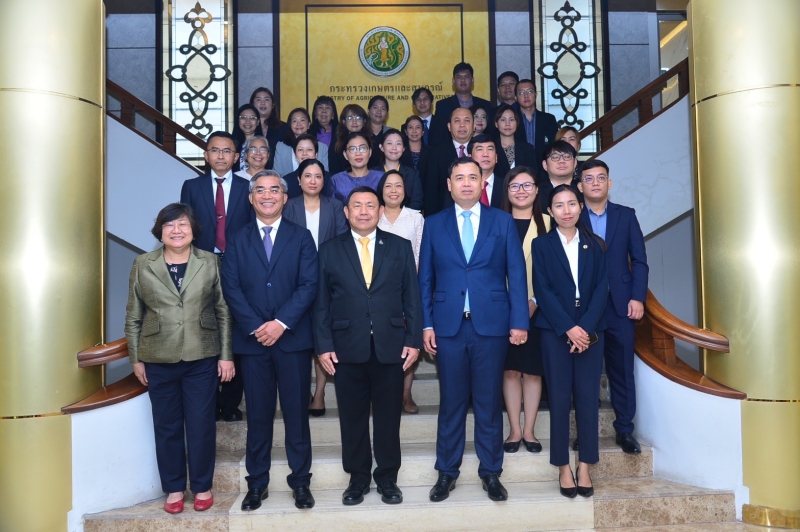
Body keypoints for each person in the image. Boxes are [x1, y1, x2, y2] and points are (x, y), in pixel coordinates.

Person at [419, 157, 528, 503]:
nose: (466, 183)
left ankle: (491, 472)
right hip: (447, 326)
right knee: (451, 402)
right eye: (459, 178)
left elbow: (517, 274)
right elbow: (425, 279)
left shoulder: (502, 221)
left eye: (472, 177)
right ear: (449, 184)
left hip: (491, 326)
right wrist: (426, 323)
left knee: (488, 401)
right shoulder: (433, 224)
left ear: (483, 183)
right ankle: (446, 472)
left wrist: (519, 321)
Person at [313, 186, 423, 506]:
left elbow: (412, 298)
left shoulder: (400, 247)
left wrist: (413, 341)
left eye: (370, 206)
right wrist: (323, 345)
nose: (364, 211)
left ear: (379, 211)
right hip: (346, 347)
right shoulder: (329, 250)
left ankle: (387, 478)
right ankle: (358, 478)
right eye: (357, 206)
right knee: (352, 417)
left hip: (391, 346)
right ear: (346, 212)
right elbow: (321, 304)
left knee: (389, 417)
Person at [125, 203, 234, 514]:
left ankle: (202, 486)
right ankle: (173, 488)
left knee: (201, 425)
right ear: (160, 231)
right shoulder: (143, 264)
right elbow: (134, 315)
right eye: (169, 225)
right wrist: (136, 358)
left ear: (193, 231)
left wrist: (226, 356)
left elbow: (223, 311)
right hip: (158, 357)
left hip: (202, 357)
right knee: (167, 426)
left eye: (183, 224)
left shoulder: (210, 262)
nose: (176, 230)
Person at [221, 170, 319, 511]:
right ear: (251, 198)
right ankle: (257, 484)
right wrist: (256, 326)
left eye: (274, 190)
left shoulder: (301, 237)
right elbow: (231, 288)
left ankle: (301, 482)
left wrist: (279, 323)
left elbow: (309, 285)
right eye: (260, 190)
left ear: (284, 197)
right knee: (258, 416)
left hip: (292, 340)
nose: (267, 195)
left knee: (297, 416)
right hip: (253, 344)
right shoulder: (237, 238)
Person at [532, 184, 608, 499]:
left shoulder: (596, 244)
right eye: (559, 205)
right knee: (560, 399)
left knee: (588, 399)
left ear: (580, 207)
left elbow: (602, 289)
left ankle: (585, 466)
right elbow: (542, 290)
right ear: (550, 211)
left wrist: (584, 329)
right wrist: (568, 328)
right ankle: (563, 466)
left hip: (590, 330)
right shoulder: (541, 245)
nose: (567, 210)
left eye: (572, 204)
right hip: (555, 330)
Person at [180, 131, 254, 422]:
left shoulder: (248, 187)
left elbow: (252, 231)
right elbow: (185, 228)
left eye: (227, 151)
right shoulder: (191, 186)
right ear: (206, 155)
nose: (221, 155)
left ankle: (231, 402)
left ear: (236, 157)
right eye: (215, 150)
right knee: (206, 330)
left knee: (236, 332)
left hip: (239, 267)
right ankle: (208, 401)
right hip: (202, 266)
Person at [577, 160, 648, 454]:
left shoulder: (626, 215)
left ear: (609, 183)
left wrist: (638, 297)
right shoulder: (572, 214)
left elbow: (639, 259)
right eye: (589, 178)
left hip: (621, 306)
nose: (595, 183)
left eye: (601, 178)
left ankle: (625, 429)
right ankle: (585, 433)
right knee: (586, 374)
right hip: (584, 308)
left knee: (622, 370)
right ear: (580, 185)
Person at [283, 158, 349, 417]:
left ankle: (319, 393)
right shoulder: (288, 206)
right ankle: (302, 391)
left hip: (328, 279)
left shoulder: (335, 206)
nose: (313, 181)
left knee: (324, 336)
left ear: (324, 181)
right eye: (308, 176)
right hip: (294, 281)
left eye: (318, 176)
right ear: (298, 180)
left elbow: (342, 241)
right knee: (300, 337)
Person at [499, 167, 550, 455]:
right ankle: (514, 430)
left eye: (527, 185)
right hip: (501, 310)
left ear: (537, 189)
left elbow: (557, 271)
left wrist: (534, 301)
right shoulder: (495, 221)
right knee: (509, 371)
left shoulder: (550, 222)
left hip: (540, 310)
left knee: (532, 372)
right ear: (506, 191)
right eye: (514, 185)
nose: (521, 191)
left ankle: (529, 430)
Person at [376, 169, 425, 414]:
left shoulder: (415, 218)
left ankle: (406, 394)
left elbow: (420, 254)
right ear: (381, 191)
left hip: (407, 290)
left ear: (405, 191)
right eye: (388, 186)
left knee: (408, 341)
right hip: (375, 291)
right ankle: (379, 396)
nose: (393, 190)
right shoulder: (373, 214)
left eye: (398, 186)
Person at [425, 107, 474, 215]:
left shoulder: (482, 151)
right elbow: (431, 193)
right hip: (446, 215)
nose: (462, 125)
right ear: (449, 126)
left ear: (474, 125)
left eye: (467, 120)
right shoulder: (436, 154)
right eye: (457, 121)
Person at [431, 63, 493, 145]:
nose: (463, 80)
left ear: (472, 80)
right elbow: (439, 134)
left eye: (466, 77)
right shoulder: (442, 105)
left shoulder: (485, 105)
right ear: (453, 81)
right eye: (459, 77)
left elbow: (490, 132)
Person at [375, 128, 424, 210]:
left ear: (403, 148)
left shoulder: (413, 174)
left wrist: (398, 214)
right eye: (389, 143)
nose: (394, 148)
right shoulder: (372, 173)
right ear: (381, 147)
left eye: (398, 144)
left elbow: (417, 202)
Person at [514, 79, 558, 168]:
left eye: (530, 92)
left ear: (536, 95)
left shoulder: (549, 119)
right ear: (515, 97)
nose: (526, 96)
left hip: (544, 168)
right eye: (521, 93)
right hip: (518, 168)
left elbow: (553, 146)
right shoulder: (512, 120)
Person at [329, 132, 384, 204]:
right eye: (353, 149)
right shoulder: (336, 181)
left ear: (370, 152)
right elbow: (331, 208)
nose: (358, 153)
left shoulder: (382, 178)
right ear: (345, 155)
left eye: (362, 148)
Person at [273, 108, 329, 176]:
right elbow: (277, 174)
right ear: (290, 125)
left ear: (309, 124)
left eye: (302, 120)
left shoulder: (322, 147)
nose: (298, 124)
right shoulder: (281, 147)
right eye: (294, 121)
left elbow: (324, 174)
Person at [281, 134, 333, 199]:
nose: (304, 153)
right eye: (300, 150)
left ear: (316, 154)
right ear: (295, 155)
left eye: (309, 149)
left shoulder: (330, 179)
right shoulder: (286, 181)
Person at [538, 140, 582, 213]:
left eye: (567, 157)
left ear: (575, 163)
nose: (561, 161)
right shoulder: (536, 192)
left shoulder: (584, 189)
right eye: (555, 157)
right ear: (545, 165)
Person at [330, 104, 372, 174]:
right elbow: (333, 166)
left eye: (358, 117)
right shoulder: (336, 141)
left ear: (364, 121)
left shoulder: (371, 141)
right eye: (350, 118)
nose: (354, 121)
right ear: (344, 122)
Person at [494, 104, 538, 170]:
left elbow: (533, 173)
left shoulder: (528, 149)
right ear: (496, 124)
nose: (507, 124)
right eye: (503, 120)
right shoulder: (491, 148)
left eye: (511, 120)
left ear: (517, 123)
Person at [249, 87, 284, 169]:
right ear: (252, 104)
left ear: (273, 105)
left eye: (267, 99)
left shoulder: (284, 128)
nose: (263, 103)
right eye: (258, 99)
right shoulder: (246, 127)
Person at [468, 134, 505, 209]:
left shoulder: (506, 186)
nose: (485, 154)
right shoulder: (461, 186)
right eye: (480, 149)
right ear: (470, 158)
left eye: (490, 149)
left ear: (496, 158)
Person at [231, 104, 261, 171]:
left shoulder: (265, 144)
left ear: (258, 122)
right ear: (238, 120)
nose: (247, 121)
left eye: (252, 118)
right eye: (243, 117)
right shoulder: (231, 144)